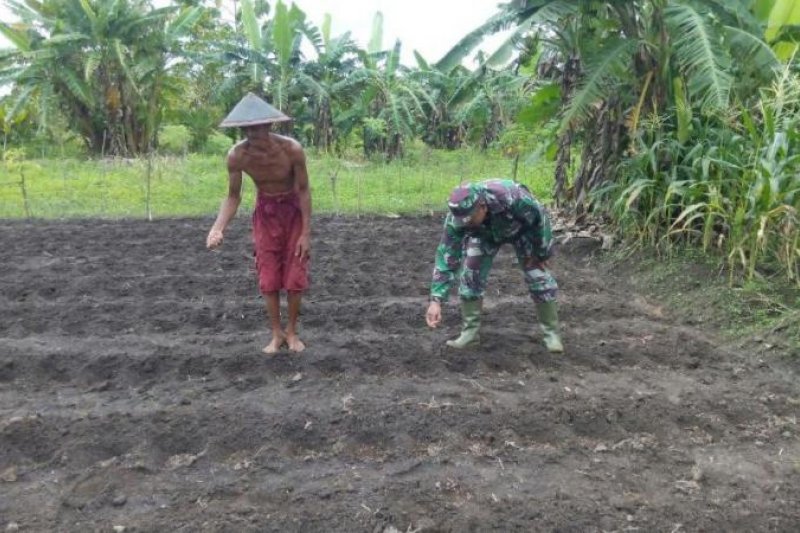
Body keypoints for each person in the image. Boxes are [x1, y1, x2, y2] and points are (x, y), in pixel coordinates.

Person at [206, 93, 311, 354]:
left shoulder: (292, 150)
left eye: (257, 127)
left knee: (295, 273)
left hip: (293, 212)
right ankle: (276, 334)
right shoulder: (237, 156)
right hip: (265, 214)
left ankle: (292, 332)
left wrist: (306, 233)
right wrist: (218, 228)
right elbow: (233, 196)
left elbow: (304, 190)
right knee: (268, 274)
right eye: (247, 129)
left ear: (268, 125)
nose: (253, 134)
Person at [425, 179, 564, 353]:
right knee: (470, 274)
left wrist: (542, 252)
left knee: (538, 275)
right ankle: (470, 335)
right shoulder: (459, 217)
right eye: (462, 222)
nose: (464, 224)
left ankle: (551, 335)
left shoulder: (515, 198)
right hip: (484, 234)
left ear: (482, 206)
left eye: (469, 220)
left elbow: (540, 219)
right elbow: (447, 256)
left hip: (522, 230)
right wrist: (436, 300)